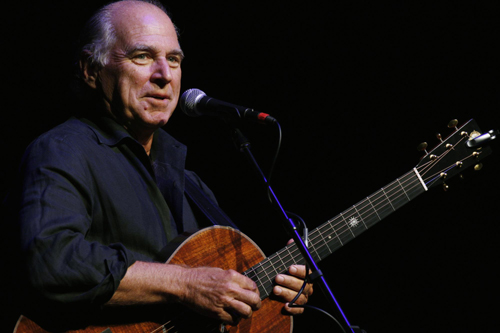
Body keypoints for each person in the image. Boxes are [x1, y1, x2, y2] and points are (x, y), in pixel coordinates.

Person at [3, 0, 312, 331]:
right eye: (143, 56)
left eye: (174, 60)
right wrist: (184, 283)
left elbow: (218, 290)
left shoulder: (190, 182)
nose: (165, 75)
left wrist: (275, 289)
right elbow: (51, 262)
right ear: (91, 70)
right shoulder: (62, 151)